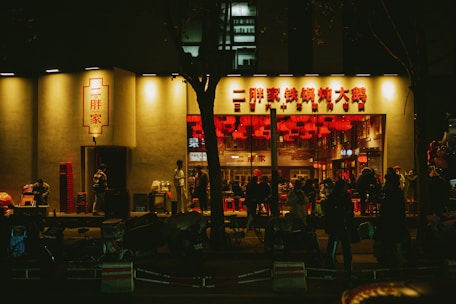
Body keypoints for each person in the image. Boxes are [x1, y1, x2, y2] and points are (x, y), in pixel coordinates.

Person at [374, 169, 408, 268]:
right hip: (394, 225)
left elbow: (388, 212)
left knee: (392, 247)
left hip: (390, 225)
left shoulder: (392, 195)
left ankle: (392, 267)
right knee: (393, 247)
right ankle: (393, 266)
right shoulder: (396, 194)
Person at [323, 179, 354, 279]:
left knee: (343, 250)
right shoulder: (336, 198)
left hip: (341, 226)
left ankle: (346, 271)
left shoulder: (342, 197)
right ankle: (337, 271)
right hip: (338, 225)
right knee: (337, 249)